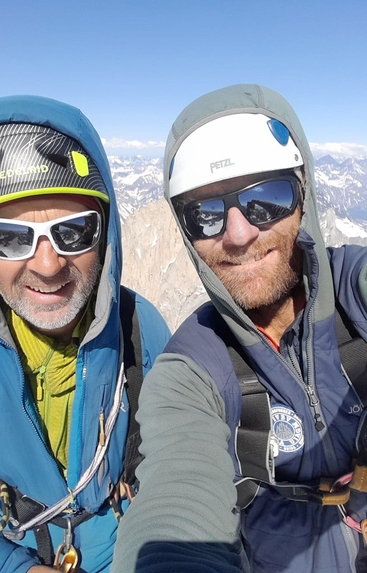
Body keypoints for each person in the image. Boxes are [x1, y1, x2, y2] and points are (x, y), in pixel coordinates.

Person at [111, 83, 367, 573]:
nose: (238, 233)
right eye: (204, 214)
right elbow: (173, 506)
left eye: (266, 199)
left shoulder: (354, 292)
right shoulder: (192, 371)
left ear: (303, 193)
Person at [0, 95, 170, 573]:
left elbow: (173, 482)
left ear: (105, 234)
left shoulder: (142, 332)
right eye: (7, 237)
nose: (47, 266)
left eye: (75, 231)